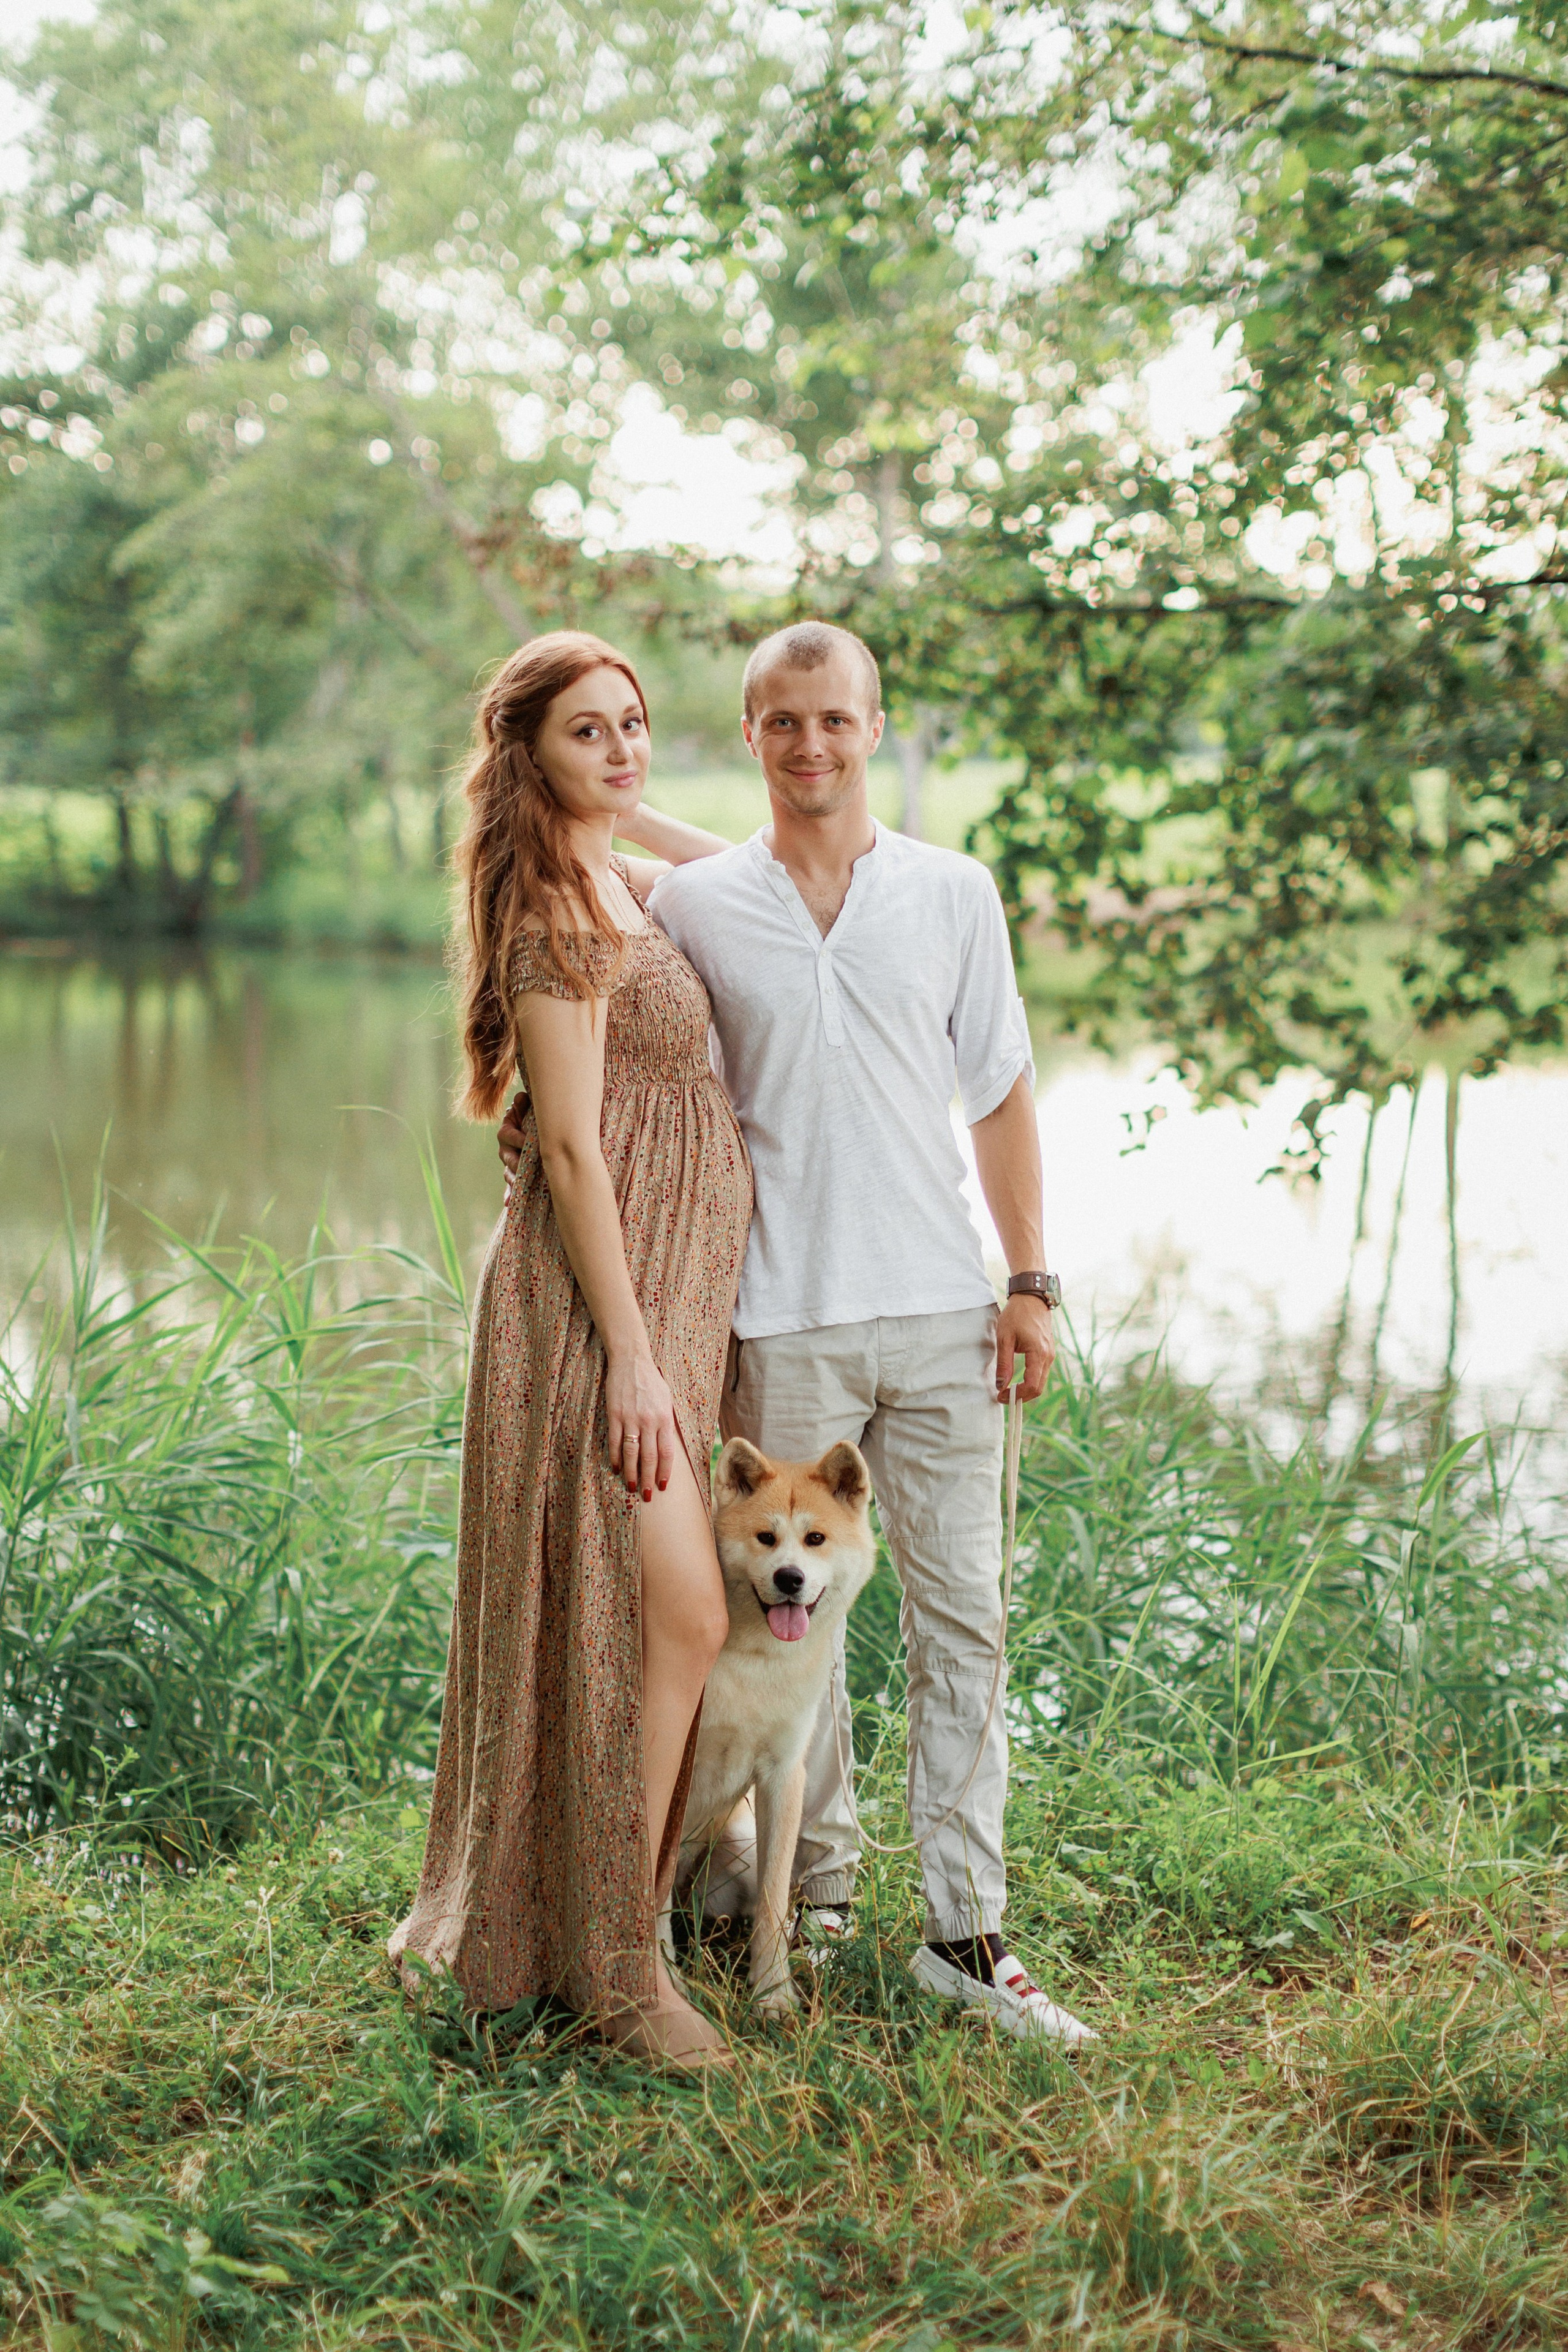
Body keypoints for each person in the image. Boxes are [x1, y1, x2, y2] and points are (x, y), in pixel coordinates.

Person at [503, 620, 1097, 2044]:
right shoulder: (696, 905)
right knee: (788, 1635)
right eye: (781, 722)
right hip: (780, 1313)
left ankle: (964, 1933)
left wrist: (1029, 1281)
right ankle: (807, 1907)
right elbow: (571, 892)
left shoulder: (953, 895)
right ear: (752, 734)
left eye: (835, 720)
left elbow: (1000, 1093)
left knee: (966, 1626)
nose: (811, 745)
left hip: (948, 1310)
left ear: (875, 727)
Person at [389, 631, 752, 2069]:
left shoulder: (614, 872)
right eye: (585, 735)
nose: (622, 751)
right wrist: (636, 1360)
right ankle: (617, 1968)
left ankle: (607, 1926)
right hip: (595, 1298)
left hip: (666, 1286)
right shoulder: (550, 913)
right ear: (522, 761)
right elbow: (576, 1155)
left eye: (634, 725)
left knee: (644, 1616)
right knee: (668, 1612)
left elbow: (741, 872)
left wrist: (608, 800)